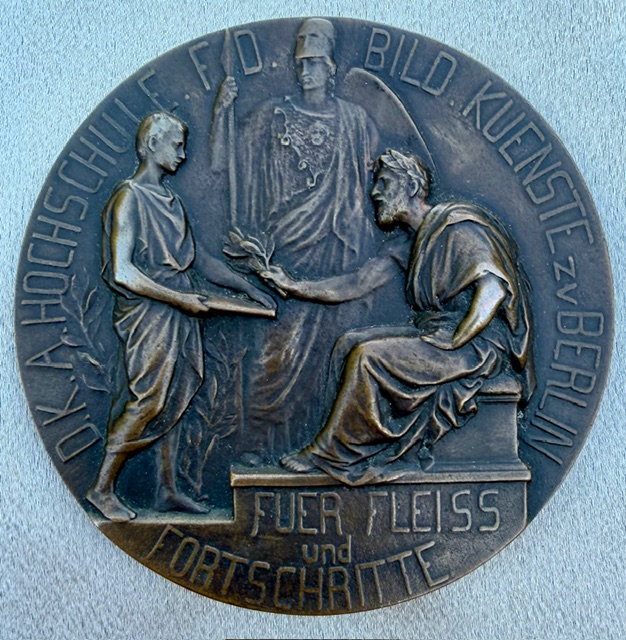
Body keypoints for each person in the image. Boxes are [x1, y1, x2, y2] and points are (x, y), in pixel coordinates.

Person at [262, 150, 535, 485]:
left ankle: (333, 453)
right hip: (440, 335)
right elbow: (356, 284)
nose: (375, 193)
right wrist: (292, 285)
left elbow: (493, 290)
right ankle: (350, 441)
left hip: (475, 345)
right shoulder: (407, 245)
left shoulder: (457, 228)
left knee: (368, 356)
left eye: (384, 183)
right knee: (348, 343)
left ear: (411, 187)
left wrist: (456, 340)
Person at [87, 112, 274, 522]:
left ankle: (166, 489)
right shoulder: (129, 197)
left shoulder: (172, 202)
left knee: (177, 394)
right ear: (151, 143)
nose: (183, 155)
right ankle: (102, 488)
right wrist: (177, 299)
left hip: (179, 308)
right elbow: (123, 271)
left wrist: (246, 287)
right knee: (148, 399)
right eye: (176, 145)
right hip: (150, 312)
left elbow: (199, 260)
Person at [213, 18, 384, 459]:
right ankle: (257, 444)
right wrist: (221, 114)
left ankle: (321, 446)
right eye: (301, 63)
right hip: (285, 251)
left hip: (339, 253)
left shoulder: (356, 121)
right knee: (274, 355)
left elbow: (370, 188)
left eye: (315, 63)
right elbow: (227, 164)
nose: (306, 71)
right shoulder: (271, 115)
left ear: (331, 67)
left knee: (331, 355)